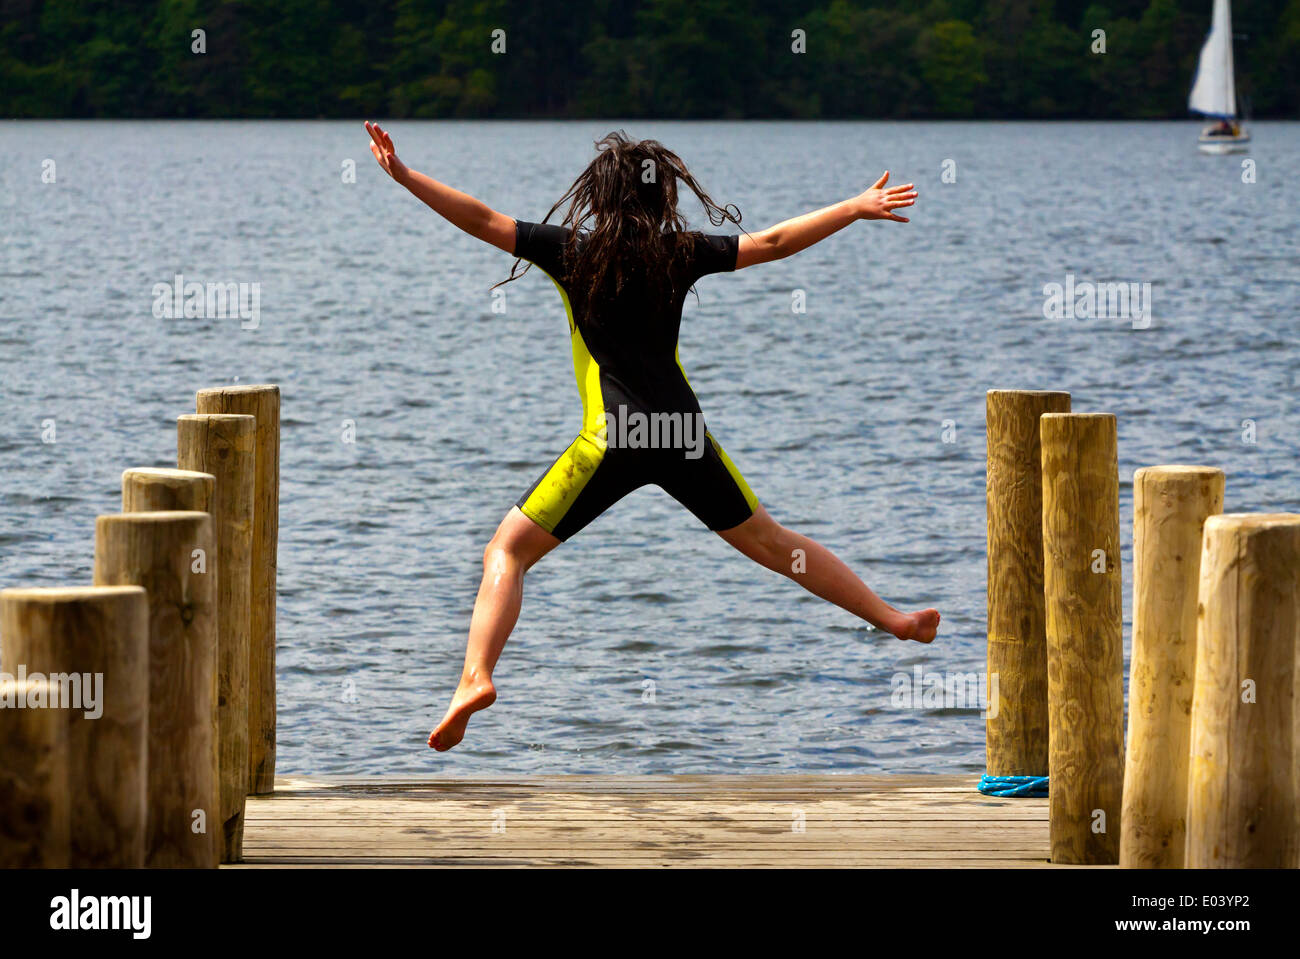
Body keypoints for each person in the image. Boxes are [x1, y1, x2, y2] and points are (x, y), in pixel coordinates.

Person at [364, 123, 940, 752]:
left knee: (507, 553)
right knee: (776, 545)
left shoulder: (570, 251)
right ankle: (895, 619)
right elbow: (772, 241)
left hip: (612, 438)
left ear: (598, 197)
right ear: (661, 198)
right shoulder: (681, 252)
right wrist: (854, 207)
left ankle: (475, 677)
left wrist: (406, 176)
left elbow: (482, 219)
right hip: (681, 432)